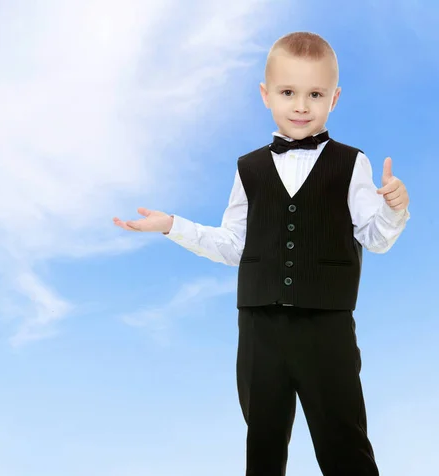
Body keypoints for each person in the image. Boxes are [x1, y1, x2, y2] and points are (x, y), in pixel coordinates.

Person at [113, 31, 409, 476]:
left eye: (315, 94)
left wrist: (394, 209)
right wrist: (172, 225)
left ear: (335, 98)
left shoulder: (353, 163)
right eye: (288, 92)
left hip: (326, 327)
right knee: (264, 447)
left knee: (345, 446)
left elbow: (377, 238)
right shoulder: (248, 167)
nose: (301, 106)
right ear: (265, 94)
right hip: (259, 329)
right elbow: (234, 245)